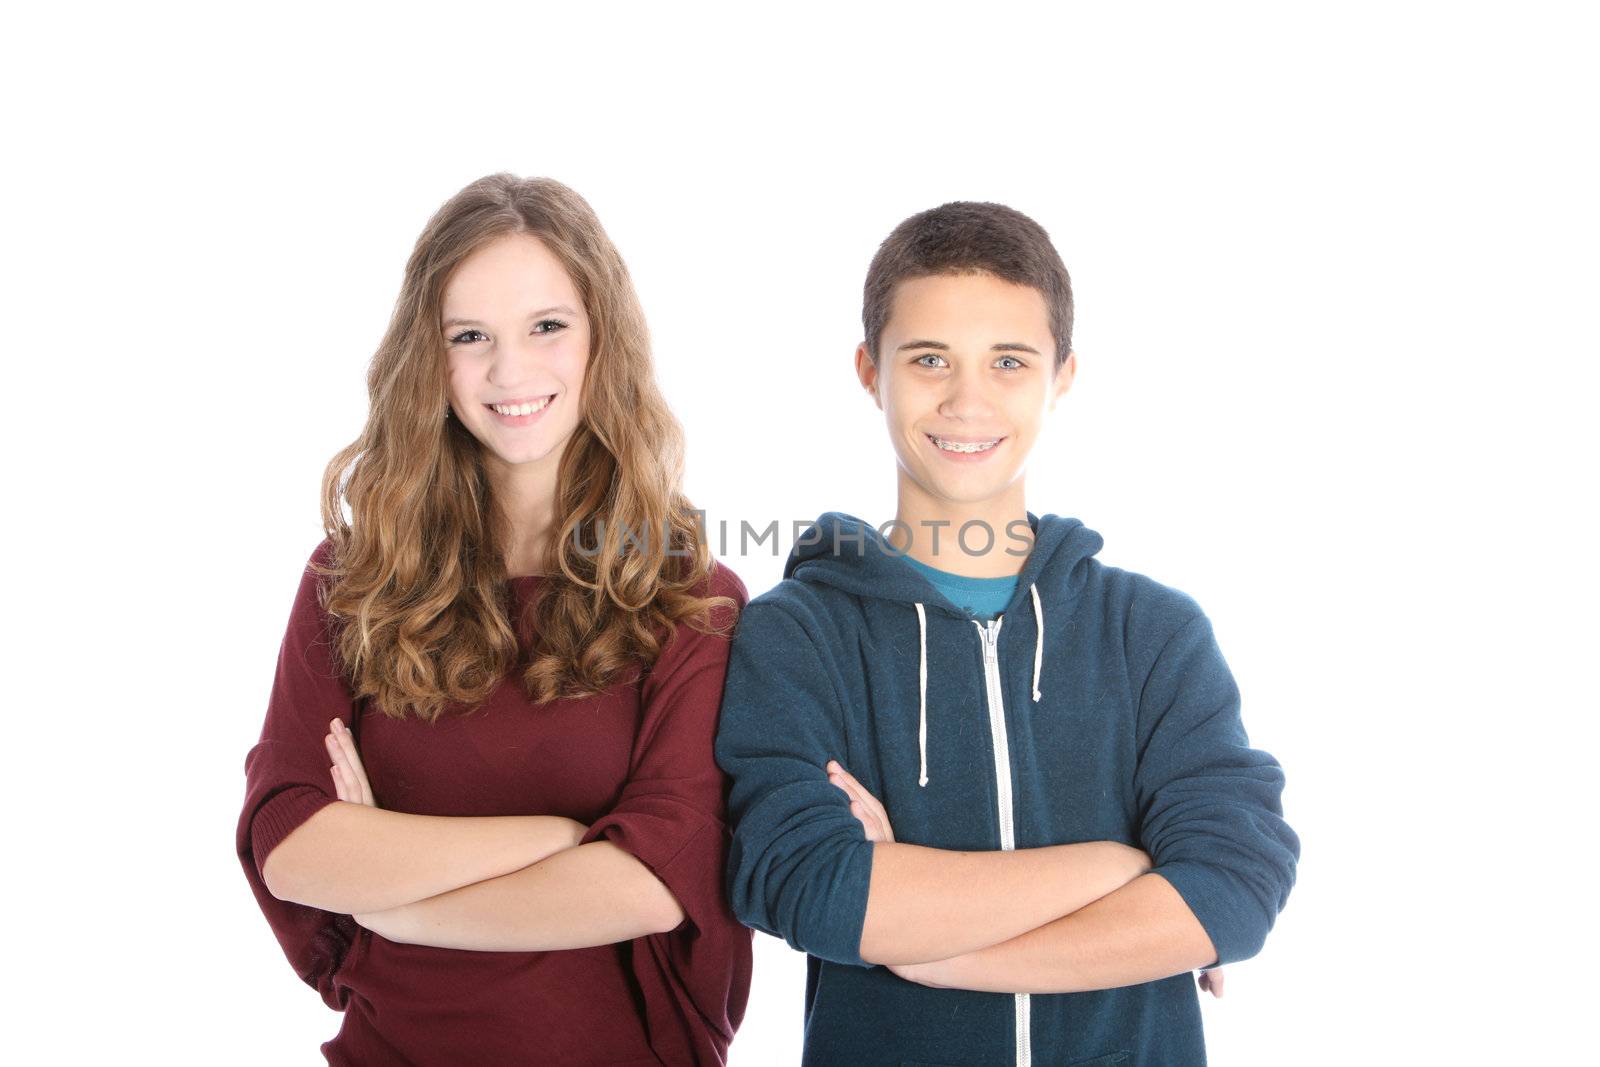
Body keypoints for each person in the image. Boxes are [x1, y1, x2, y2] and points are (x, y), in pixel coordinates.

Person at [714, 201, 1299, 1066]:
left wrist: (935, 949)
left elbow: (1233, 892)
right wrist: (1123, 865)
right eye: (929, 359)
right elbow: (813, 887)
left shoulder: (1153, 634)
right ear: (870, 371)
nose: (966, 398)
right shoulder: (796, 636)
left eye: (1009, 361)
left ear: (1062, 375)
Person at [236, 174, 751, 1066]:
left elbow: (654, 880)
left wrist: (390, 896)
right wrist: (556, 839)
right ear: (427, 362)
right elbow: (292, 841)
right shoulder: (351, 581)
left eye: (547, 327)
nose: (510, 372)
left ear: (603, 340)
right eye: (470, 337)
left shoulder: (690, 600)